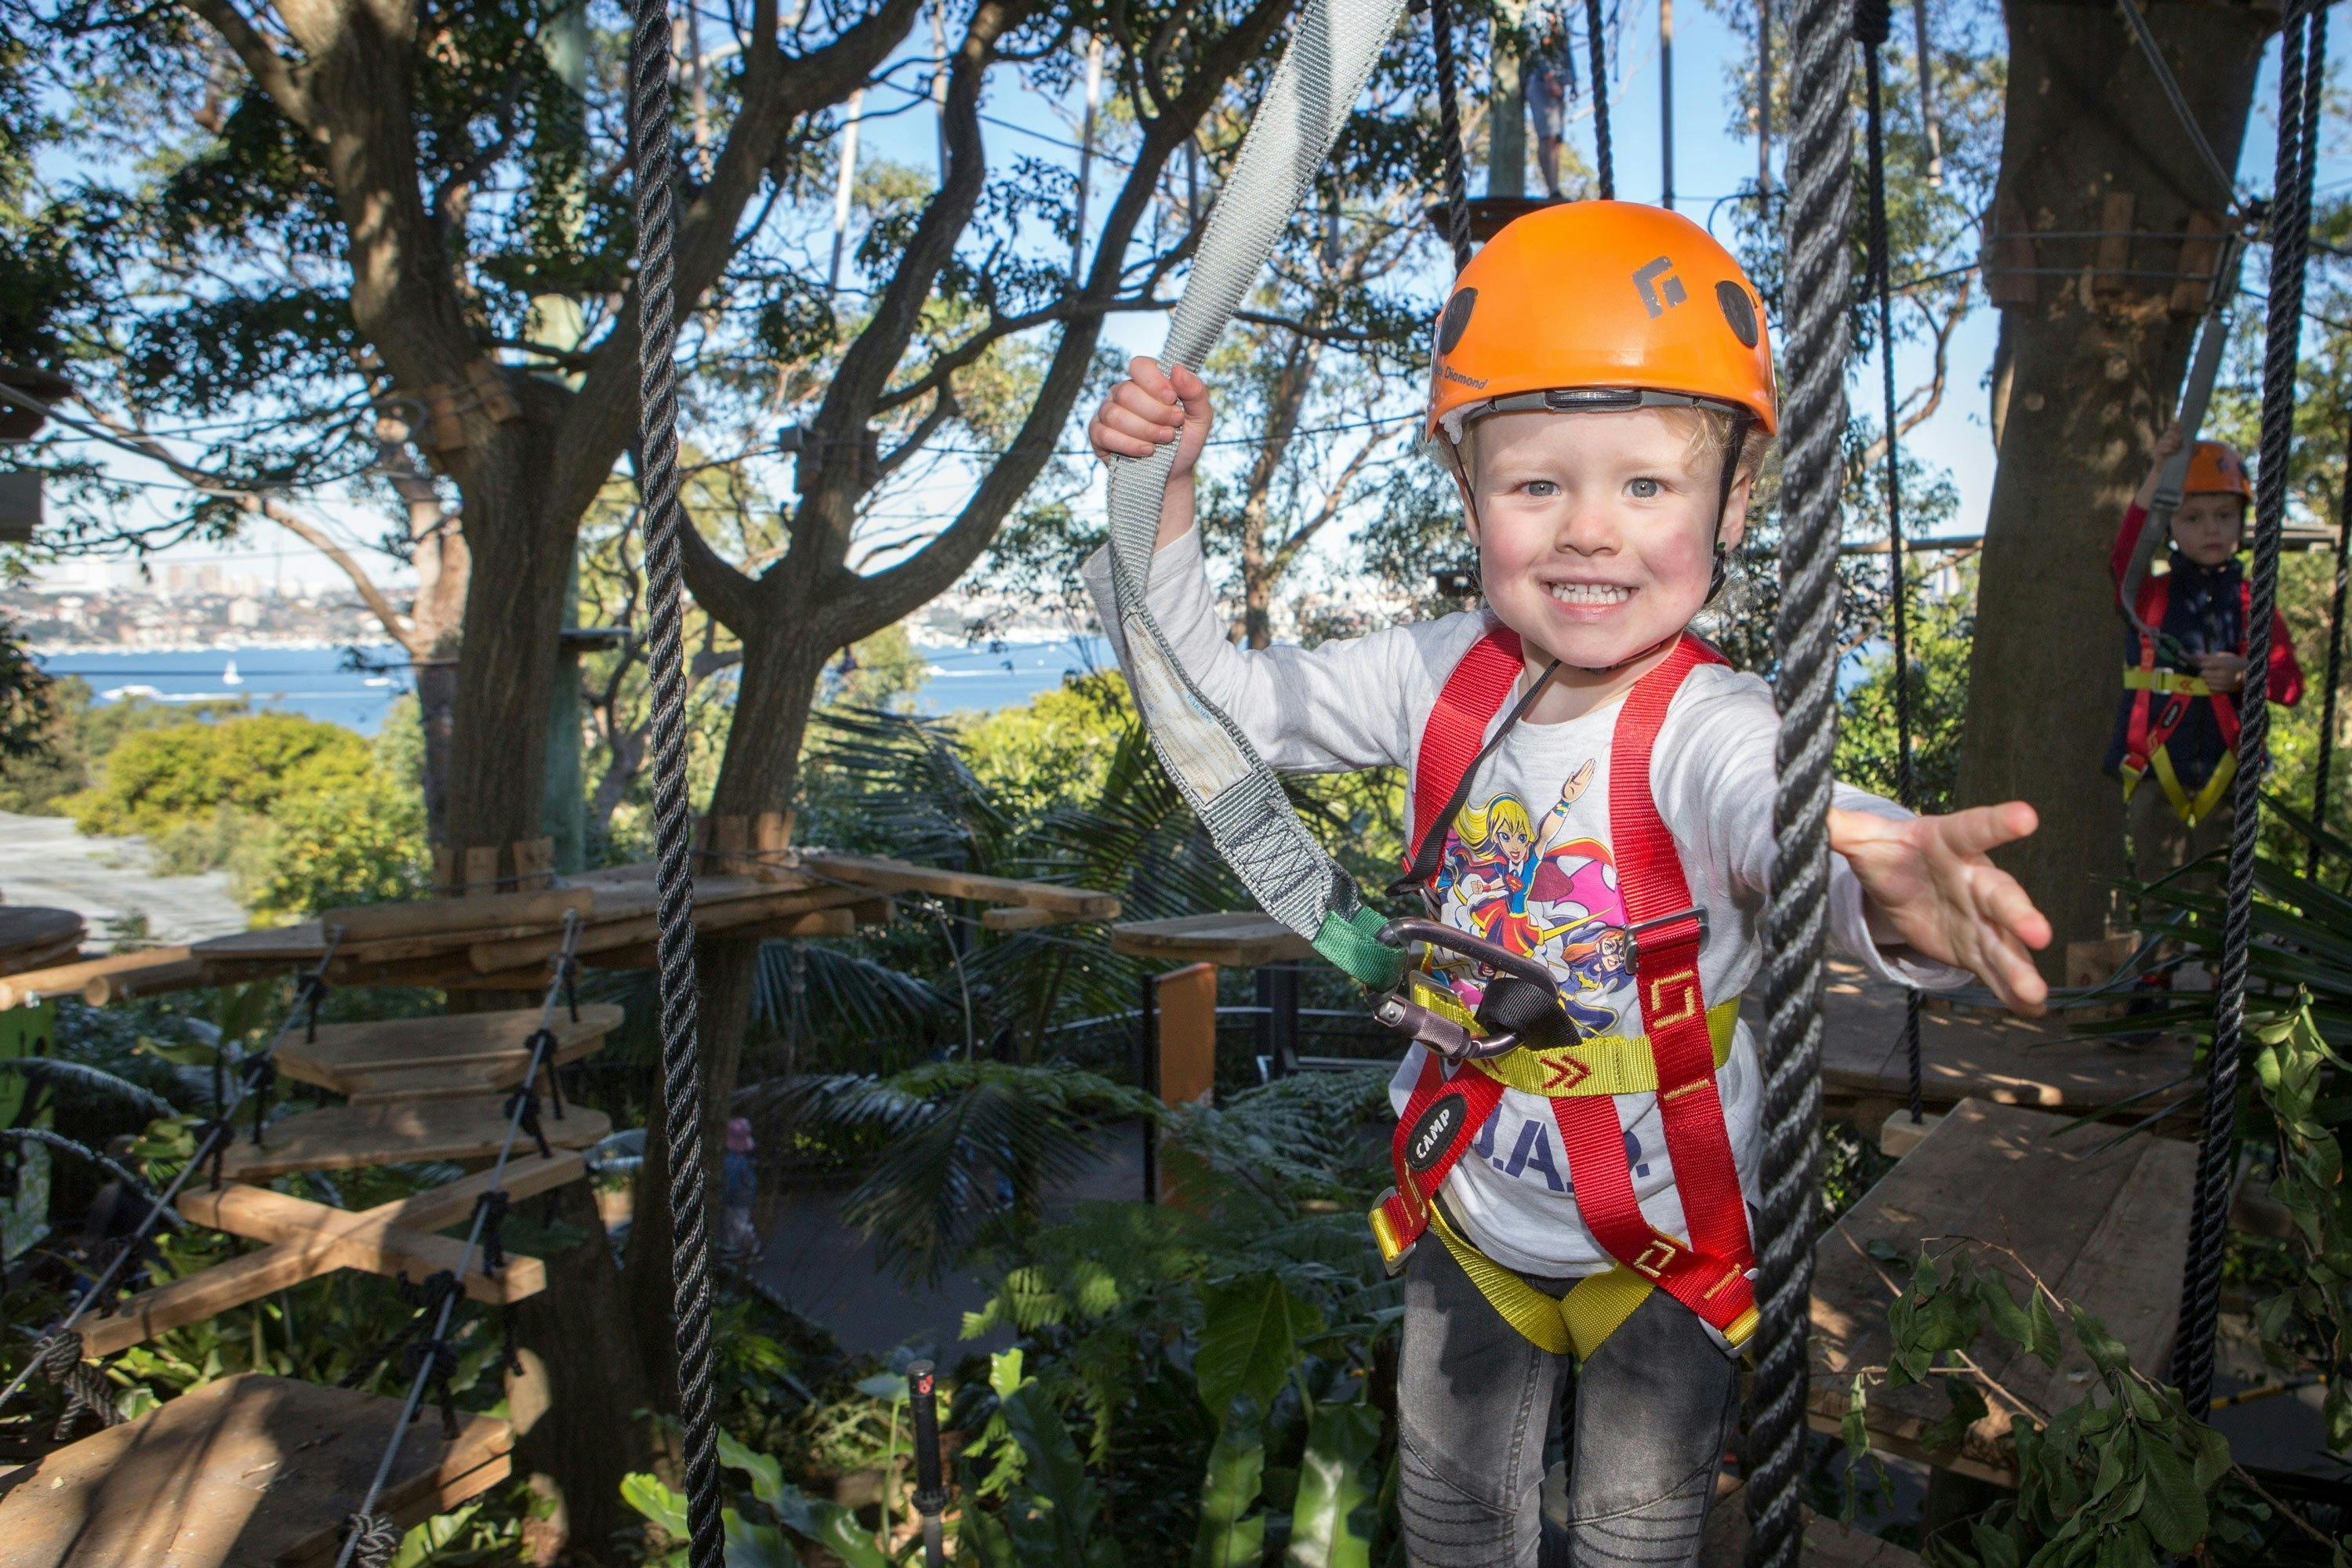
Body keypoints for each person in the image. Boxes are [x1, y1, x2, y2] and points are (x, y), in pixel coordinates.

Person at [1084, 201, 2050, 1568]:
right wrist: (1165, 500)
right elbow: (1223, 703)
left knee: (1632, 1537)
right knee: (1449, 1525)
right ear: (1470, 491)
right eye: (1538, 485)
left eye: (1648, 486)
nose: (1591, 531)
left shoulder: (1710, 726)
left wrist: (1888, 878)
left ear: (1733, 502)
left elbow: (1784, 808)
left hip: (1665, 1243)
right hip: (1470, 1213)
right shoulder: (1438, 677)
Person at [2108, 421, 2303, 891]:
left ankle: (2219, 967)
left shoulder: (2253, 603)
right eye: (2193, 518)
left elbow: (2291, 686)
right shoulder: (2152, 596)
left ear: (2241, 520)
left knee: (2222, 893)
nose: (2211, 529)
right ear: (2170, 527)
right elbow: (2125, 555)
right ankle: (2160, 967)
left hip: (2228, 768)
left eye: (2223, 515)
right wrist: (2157, 473)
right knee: (2159, 891)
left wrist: (2246, 674)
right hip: (2157, 765)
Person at [1523, 0, 1577, 200]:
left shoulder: (1559, 12)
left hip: (1560, 84)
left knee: (1556, 139)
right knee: (1547, 135)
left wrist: (1572, 82)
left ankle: (1555, 187)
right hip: (1541, 82)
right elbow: (1535, 47)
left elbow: (1565, 50)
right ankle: (1552, 188)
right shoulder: (1535, 10)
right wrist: (1548, 78)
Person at [719, 1116, 760, 1266]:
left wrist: (723, 1196)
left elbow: (731, 1183)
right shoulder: (743, 1160)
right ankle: (737, 1249)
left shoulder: (733, 1162)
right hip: (744, 1197)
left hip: (737, 1198)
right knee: (736, 1222)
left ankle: (742, 1248)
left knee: (736, 1224)